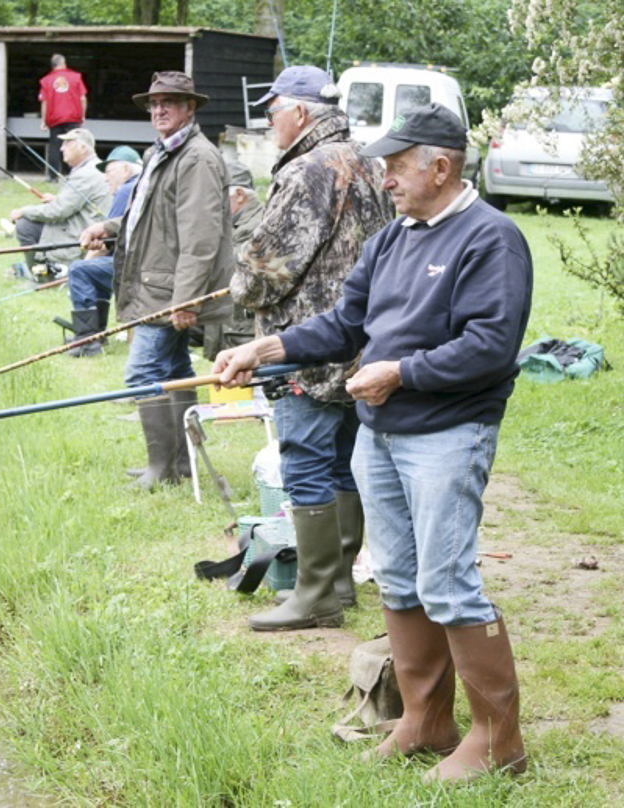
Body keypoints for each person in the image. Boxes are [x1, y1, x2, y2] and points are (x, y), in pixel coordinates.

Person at [213, 103, 532, 783]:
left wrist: (402, 372)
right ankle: (425, 720)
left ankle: (499, 741)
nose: (383, 177)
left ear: (439, 167)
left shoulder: (490, 239)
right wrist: (265, 347)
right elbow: (344, 322)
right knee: (397, 578)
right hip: (380, 437)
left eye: (395, 164)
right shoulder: (393, 239)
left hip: (447, 434)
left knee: (448, 584)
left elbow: (489, 347)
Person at [228, 66, 395, 633]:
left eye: (273, 111)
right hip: (362, 340)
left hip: (306, 343)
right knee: (345, 460)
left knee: (305, 462)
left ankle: (318, 591)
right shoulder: (371, 160)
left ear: (300, 112)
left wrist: (240, 288)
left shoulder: (307, 169)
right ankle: (339, 579)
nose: (270, 121)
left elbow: (265, 267)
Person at [80, 71, 233, 489]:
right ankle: (180, 466)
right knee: (176, 370)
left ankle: (160, 468)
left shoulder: (196, 158)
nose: (159, 109)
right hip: (156, 283)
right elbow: (147, 216)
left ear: (190, 108)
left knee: (143, 370)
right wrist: (108, 228)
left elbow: (200, 237)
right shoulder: (163, 152)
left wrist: (185, 300)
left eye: (169, 102)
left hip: (167, 291)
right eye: (153, 103)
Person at [64, 145, 143, 358]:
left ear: (126, 170)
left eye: (109, 172)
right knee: (89, 271)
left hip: (137, 265)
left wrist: (82, 264)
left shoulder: (128, 189)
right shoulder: (143, 185)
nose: (105, 179)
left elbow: (112, 233)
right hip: (144, 259)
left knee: (81, 271)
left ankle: (88, 340)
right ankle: (95, 335)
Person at [10, 128, 111, 276]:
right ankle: (44, 270)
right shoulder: (92, 167)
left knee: (25, 225)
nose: (62, 148)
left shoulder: (85, 174)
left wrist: (22, 211)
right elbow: (75, 203)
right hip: (88, 226)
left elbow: (58, 211)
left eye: (68, 144)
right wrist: (57, 199)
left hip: (83, 234)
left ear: (83, 148)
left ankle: (43, 275)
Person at [200, 159, 264, 361]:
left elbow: (233, 262)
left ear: (240, 195)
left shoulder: (260, 224)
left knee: (251, 384)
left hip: (243, 327)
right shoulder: (226, 222)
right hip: (230, 325)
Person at [39, 54, 88, 181]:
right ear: (64, 63)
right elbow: (83, 98)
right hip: (73, 117)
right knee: (75, 144)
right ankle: (75, 174)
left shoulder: (46, 80)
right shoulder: (76, 77)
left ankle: (53, 176)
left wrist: (43, 121)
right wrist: (82, 115)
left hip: (55, 118)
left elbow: (44, 102)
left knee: (55, 147)